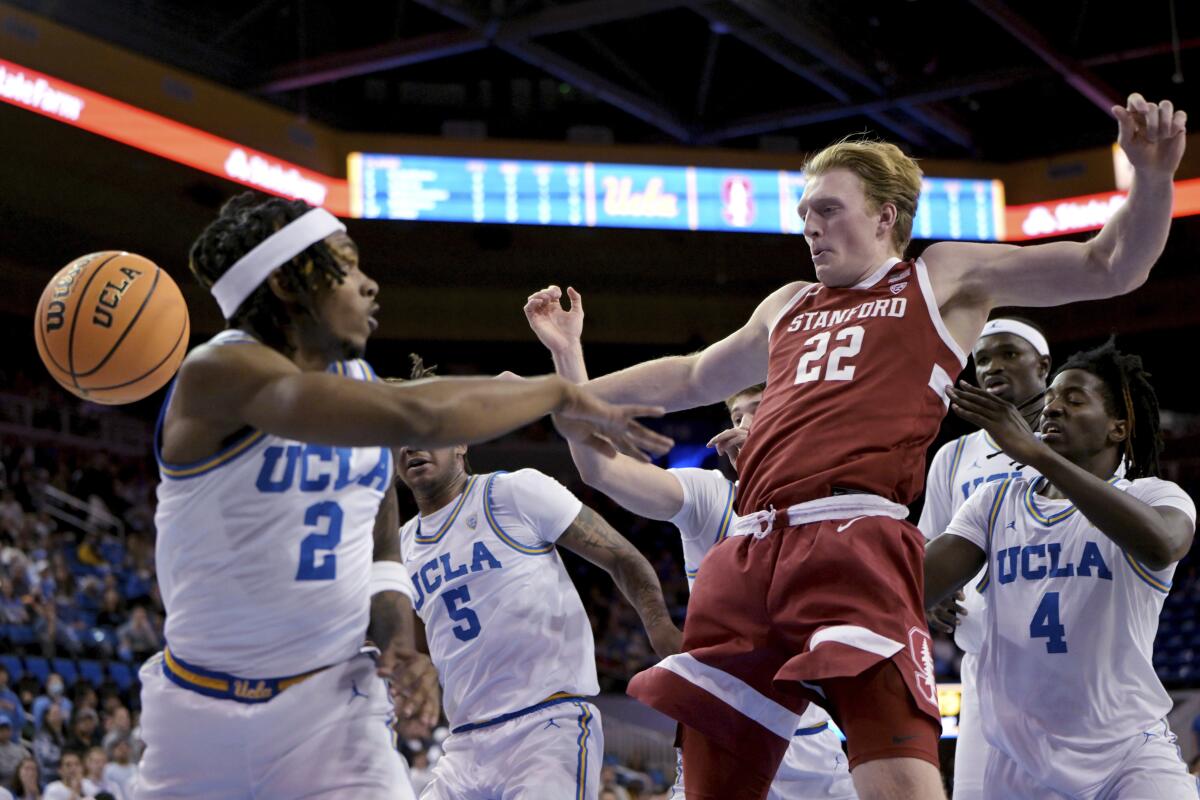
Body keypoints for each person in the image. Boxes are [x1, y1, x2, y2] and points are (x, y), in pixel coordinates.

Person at [540, 93, 1187, 800]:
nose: (809, 229)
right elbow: (694, 374)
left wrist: (1152, 179)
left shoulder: (939, 278)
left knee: (900, 786)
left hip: (853, 543)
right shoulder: (787, 303)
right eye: (804, 215)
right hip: (748, 552)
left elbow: (1110, 266)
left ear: (885, 217)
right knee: (711, 789)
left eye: (827, 210)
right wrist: (569, 390)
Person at [138, 193, 671, 799]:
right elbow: (415, 412)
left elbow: (380, 538)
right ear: (289, 283)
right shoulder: (219, 373)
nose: (370, 286)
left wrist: (398, 640)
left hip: (332, 713)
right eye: (346, 263)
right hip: (202, 715)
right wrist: (561, 391)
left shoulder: (362, 391)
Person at [525, 287, 857, 799]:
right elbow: (598, 468)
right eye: (739, 416)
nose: (747, 425)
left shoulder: (831, 499)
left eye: (760, 412)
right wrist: (568, 356)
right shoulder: (708, 496)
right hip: (719, 732)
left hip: (809, 741)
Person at [396, 357, 681, 800]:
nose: (413, 447)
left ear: (462, 443)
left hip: (547, 726)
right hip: (464, 743)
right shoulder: (401, 546)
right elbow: (412, 647)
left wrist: (661, 629)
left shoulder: (513, 493)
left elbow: (623, 557)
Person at [925, 341, 1196, 798]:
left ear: (1118, 428)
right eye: (1050, 400)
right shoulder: (993, 502)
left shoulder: (1155, 496)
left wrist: (1038, 456)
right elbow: (913, 584)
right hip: (1014, 756)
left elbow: (1162, 544)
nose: (1053, 410)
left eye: (1074, 401)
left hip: (1127, 753)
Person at [918, 317, 1051, 800]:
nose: (993, 366)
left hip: (1073, 667)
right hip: (986, 670)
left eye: (1009, 354)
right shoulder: (953, 457)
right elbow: (926, 550)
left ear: (1044, 366)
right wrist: (931, 600)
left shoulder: (1080, 443)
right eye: (982, 359)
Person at [0, 716, 27, 787]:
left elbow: (29, 761)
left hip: (19, 785)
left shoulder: (18, 748)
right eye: (1, 729)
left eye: (6, 729)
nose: (4, 732)